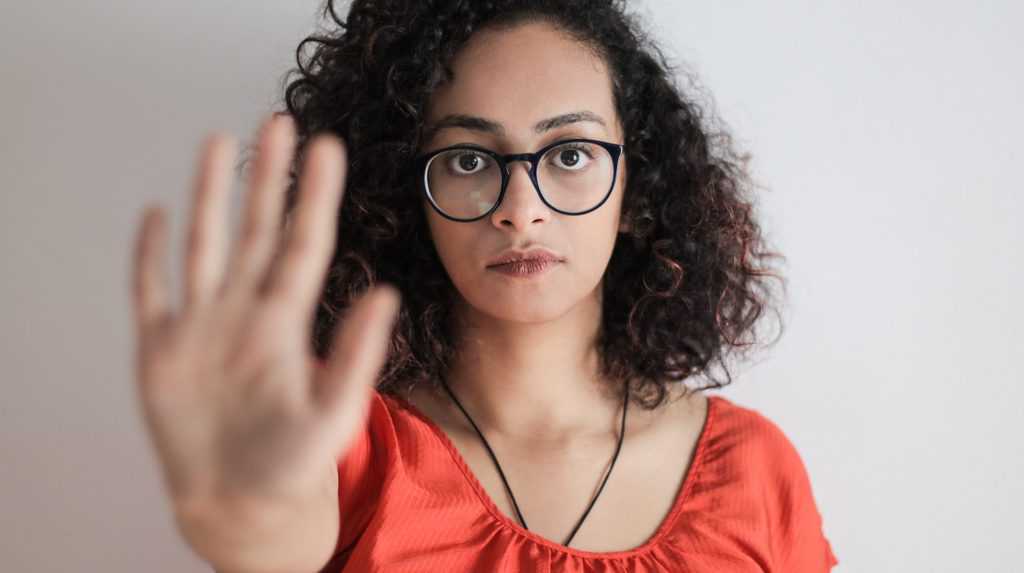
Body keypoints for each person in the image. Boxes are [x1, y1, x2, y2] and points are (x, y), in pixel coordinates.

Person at [131, 0, 839, 571]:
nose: (520, 208)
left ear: (638, 186)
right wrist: (241, 519)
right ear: (405, 196)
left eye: (569, 152)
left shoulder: (754, 469)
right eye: (468, 160)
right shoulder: (343, 448)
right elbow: (274, 532)